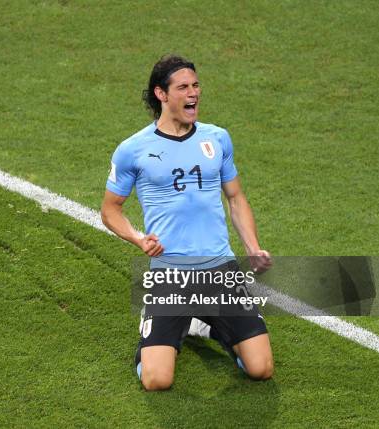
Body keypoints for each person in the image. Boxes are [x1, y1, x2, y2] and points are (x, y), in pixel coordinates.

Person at [101, 54, 274, 391]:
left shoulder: (217, 138)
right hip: (170, 274)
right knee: (157, 381)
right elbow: (110, 210)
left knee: (261, 369)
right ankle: (156, 331)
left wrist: (252, 247)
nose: (193, 93)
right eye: (183, 87)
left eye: (195, 85)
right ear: (161, 94)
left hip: (221, 267)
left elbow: (236, 198)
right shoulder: (133, 150)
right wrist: (138, 239)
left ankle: (203, 326)